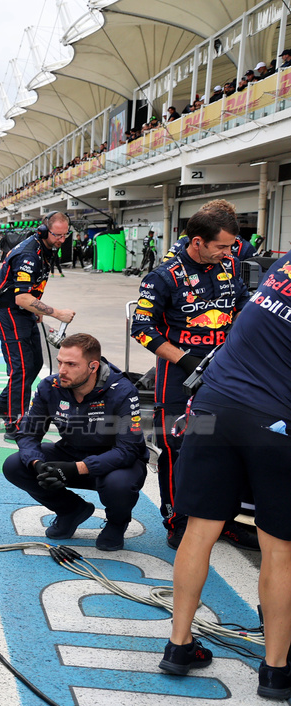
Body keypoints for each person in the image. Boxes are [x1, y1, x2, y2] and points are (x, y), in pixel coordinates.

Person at [159, 251, 291, 703]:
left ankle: (178, 645)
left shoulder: (283, 264)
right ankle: (275, 670)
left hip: (213, 404)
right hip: (275, 420)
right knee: (280, 550)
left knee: (199, 531)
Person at [131, 202, 252, 550]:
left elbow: (242, 304)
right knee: (177, 448)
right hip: (178, 375)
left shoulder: (230, 265)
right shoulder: (163, 277)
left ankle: (223, 520)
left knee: (226, 446)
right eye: (222, 246)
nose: (228, 252)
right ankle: (177, 520)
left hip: (225, 370)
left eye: (230, 246)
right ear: (197, 241)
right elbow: (141, 329)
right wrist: (184, 359)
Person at [2, 334, 148, 551]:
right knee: (15, 465)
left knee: (119, 484)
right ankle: (71, 510)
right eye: (60, 362)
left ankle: (117, 524)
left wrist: (76, 468)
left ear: (93, 367)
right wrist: (37, 463)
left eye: (71, 364)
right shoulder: (50, 386)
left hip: (115, 462)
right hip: (71, 452)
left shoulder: (123, 390)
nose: (62, 370)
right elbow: (28, 435)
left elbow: (128, 450)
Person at [0, 212, 77, 438]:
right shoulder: (28, 255)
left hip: (24, 312)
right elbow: (21, 298)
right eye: (57, 235)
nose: (62, 240)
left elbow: (33, 289)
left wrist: (37, 309)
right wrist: (57, 313)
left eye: (65, 235)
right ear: (44, 231)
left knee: (35, 363)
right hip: (8, 312)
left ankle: (2, 404)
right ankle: (15, 424)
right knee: (21, 368)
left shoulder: (46, 247)